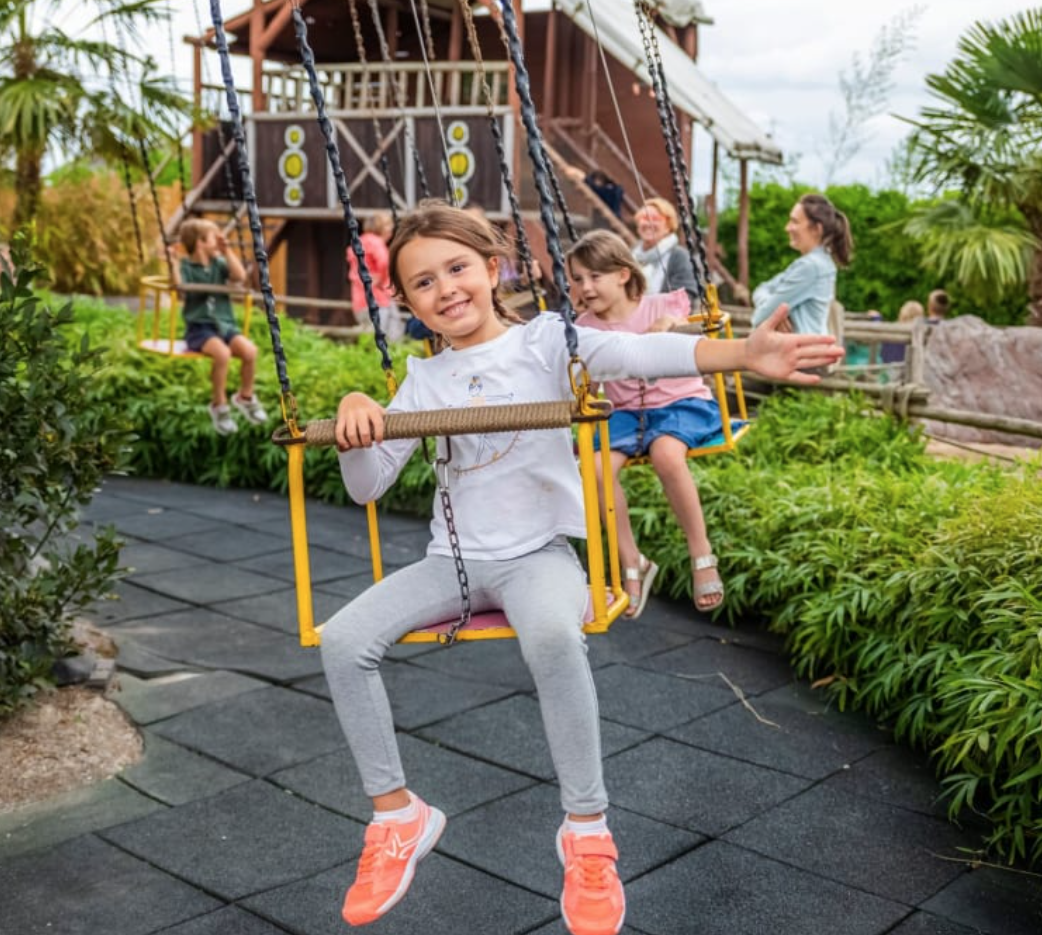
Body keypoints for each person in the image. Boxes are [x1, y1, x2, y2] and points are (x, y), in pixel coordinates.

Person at [321, 200, 843, 934]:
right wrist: (356, 419)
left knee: (553, 637)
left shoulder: (546, 343)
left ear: (492, 269)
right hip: (455, 564)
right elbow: (369, 486)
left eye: (457, 268)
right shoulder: (422, 381)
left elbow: (638, 357)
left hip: (539, 558)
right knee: (344, 641)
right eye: (423, 282)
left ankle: (587, 831)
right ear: (406, 300)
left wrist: (740, 356)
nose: (446, 289)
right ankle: (397, 816)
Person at [568, 229, 725, 616]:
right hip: (625, 413)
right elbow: (585, 381)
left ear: (623, 274)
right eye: (578, 279)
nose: (585, 287)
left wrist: (671, 323)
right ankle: (632, 560)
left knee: (667, 455)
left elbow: (690, 329)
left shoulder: (661, 306)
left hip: (680, 403)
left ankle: (701, 552)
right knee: (595, 469)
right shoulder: (584, 327)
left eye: (595, 276)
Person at [170, 218, 267, 435]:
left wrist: (227, 251)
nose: (220, 239)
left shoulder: (219, 263)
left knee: (250, 351)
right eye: (215, 237)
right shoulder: (186, 267)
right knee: (222, 354)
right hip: (200, 328)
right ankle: (219, 405)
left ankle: (245, 396)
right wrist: (174, 263)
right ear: (201, 242)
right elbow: (180, 288)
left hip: (224, 324)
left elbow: (240, 276)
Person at [750, 193, 854, 336]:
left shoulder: (811, 267)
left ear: (816, 229)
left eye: (795, 222)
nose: (787, 228)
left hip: (803, 348)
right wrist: (775, 312)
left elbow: (759, 317)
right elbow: (762, 289)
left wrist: (772, 311)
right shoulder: (817, 262)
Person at [346, 212, 404, 344]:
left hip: (360, 301)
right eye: (388, 225)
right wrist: (381, 280)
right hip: (379, 300)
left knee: (371, 339)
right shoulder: (375, 242)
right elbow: (384, 263)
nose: (391, 229)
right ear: (380, 227)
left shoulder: (358, 242)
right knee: (391, 339)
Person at [631, 196, 697, 297]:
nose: (648, 223)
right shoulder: (630, 255)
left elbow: (686, 297)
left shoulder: (680, 256)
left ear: (668, 226)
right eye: (644, 218)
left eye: (655, 218)